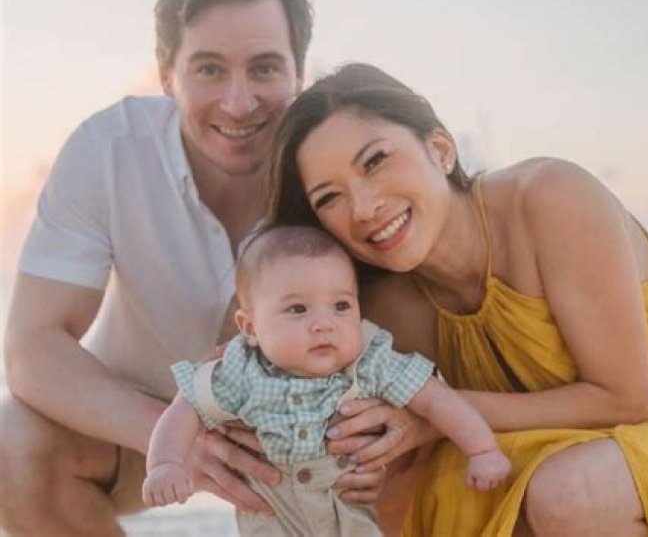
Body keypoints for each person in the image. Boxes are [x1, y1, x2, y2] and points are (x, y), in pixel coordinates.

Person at [0, 0, 379, 537]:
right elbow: (32, 349)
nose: (238, 102)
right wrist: (175, 435)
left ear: (298, 73)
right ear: (166, 71)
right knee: (9, 447)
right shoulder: (109, 151)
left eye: (264, 69)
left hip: (318, 428)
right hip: (136, 423)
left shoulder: (337, 164)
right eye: (208, 69)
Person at [265, 62, 648, 536]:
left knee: (568, 495)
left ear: (440, 150)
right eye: (329, 198)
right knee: (425, 496)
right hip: (575, 448)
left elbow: (627, 401)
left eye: (375, 161)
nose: (363, 207)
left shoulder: (548, 197)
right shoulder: (387, 309)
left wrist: (439, 416)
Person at [141, 225, 511, 535]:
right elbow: (186, 407)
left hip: (347, 514)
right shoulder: (241, 372)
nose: (324, 323)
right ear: (250, 327)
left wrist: (482, 449)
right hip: (271, 516)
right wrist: (165, 463)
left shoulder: (371, 363)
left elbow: (436, 400)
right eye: (297, 309)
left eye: (341, 306)